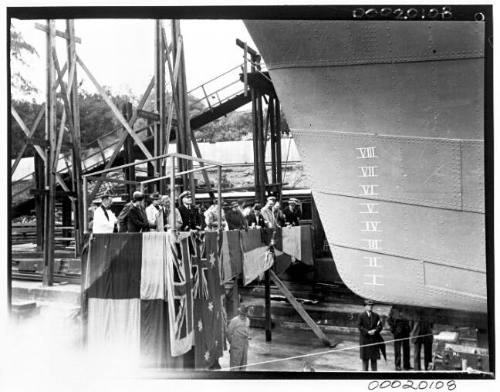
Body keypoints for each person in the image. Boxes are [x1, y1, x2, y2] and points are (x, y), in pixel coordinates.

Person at [358, 299, 383, 371]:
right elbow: (359, 326)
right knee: (365, 360)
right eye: (368, 305)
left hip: (374, 341)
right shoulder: (361, 316)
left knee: (374, 360)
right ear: (365, 307)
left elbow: (380, 326)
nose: (370, 307)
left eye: (371, 305)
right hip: (365, 340)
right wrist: (367, 332)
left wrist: (375, 331)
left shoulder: (376, 316)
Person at [227, 305, 251, 371]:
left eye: (245, 314)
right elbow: (228, 332)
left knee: (243, 363)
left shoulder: (248, 320)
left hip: (245, 344)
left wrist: (248, 336)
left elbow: (247, 330)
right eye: (243, 314)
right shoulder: (234, 320)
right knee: (235, 363)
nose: (244, 316)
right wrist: (232, 343)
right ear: (240, 313)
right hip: (236, 344)